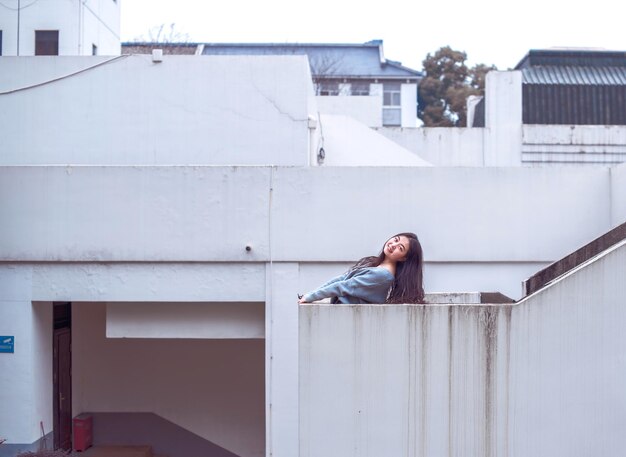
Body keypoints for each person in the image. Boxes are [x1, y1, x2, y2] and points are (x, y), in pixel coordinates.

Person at [298, 232, 424, 304]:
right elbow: (341, 279)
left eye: (400, 248)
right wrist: (310, 294)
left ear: (403, 258)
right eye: (395, 240)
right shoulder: (376, 265)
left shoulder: (384, 275)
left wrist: (311, 297)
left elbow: (344, 286)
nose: (393, 245)